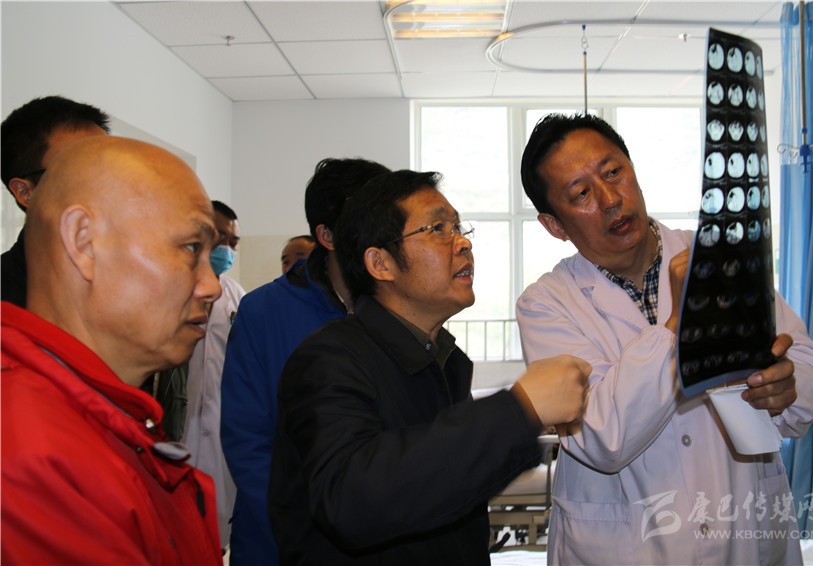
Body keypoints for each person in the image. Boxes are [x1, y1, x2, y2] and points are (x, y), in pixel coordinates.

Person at [517, 113, 813, 565]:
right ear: (555, 225)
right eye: (581, 194)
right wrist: (681, 326)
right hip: (625, 548)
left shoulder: (717, 258)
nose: (610, 199)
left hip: (741, 529)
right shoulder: (546, 304)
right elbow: (601, 436)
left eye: (614, 172)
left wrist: (787, 386)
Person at [268, 169, 590, 565]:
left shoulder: (446, 361)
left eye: (458, 227)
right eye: (437, 228)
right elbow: (351, 500)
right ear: (380, 263)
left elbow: (447, 489)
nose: (463, 243)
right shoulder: (328, 360)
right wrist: (519, 411)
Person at [1, 136, 223, 564]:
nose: (211, 286)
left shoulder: (102, 412)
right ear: (84, 243)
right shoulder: (28, 450)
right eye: (191, 248)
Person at [221, 157, 391, 565]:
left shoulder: (400, 306)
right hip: (281, 542)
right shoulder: (264, 311)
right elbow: (248, 440)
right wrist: (308, 531)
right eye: (370, 220)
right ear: (327, 236)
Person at [1, 95, 110, 307]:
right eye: (82, 167)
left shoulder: (137, 277)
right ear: (25, 191)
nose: (106, 181)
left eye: (111, 165)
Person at [181, 200, 247, 550]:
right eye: (222, 237)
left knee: (217, 528)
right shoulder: (175, 287)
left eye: (234, 242)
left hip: (222, 428)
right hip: (180, 426)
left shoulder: (237, 297)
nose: (228, 248)